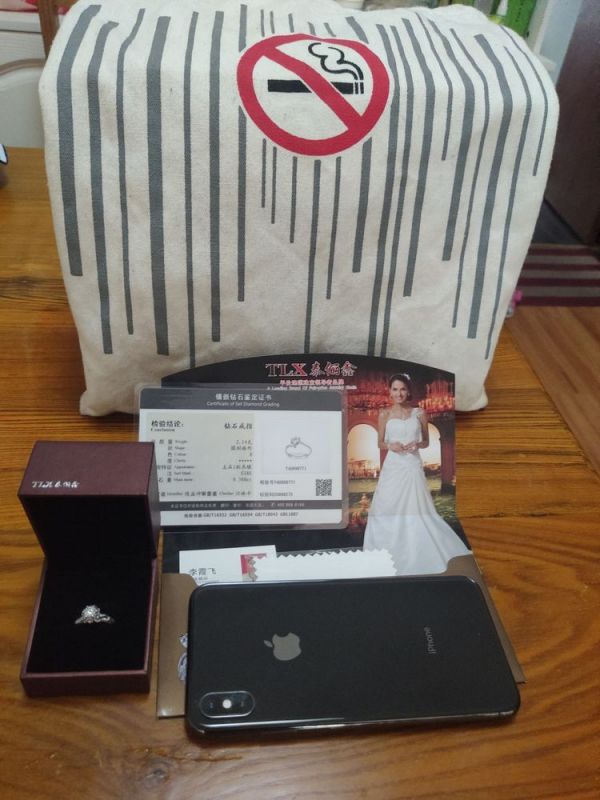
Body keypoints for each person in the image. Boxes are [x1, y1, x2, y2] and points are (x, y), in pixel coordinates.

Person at [363, 373, 470, 575]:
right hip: (393, 466)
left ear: (408, 391)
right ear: (390, 391)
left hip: (412, 464)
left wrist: (417, 444)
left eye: (403, 389)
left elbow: (426, 441)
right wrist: (390, 445)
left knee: (416, 506)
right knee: (388, 504)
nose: (399, 393)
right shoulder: (384, 414)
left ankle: (418, 549)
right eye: (395, 389)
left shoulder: (419, 413)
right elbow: (380, 442)